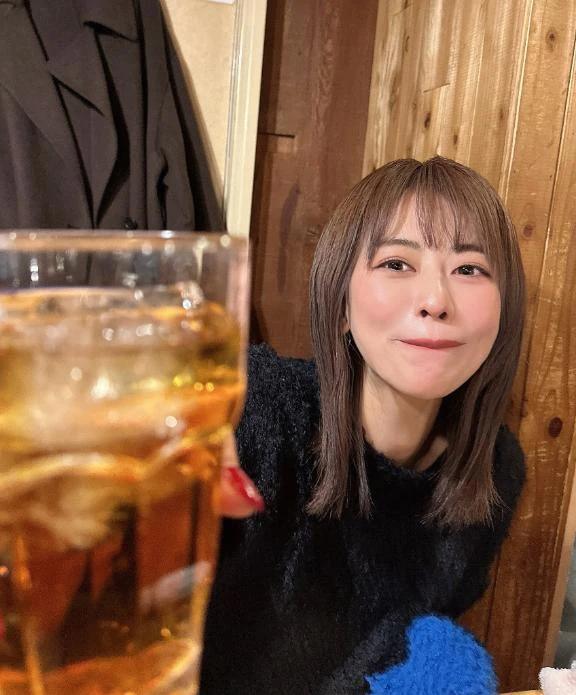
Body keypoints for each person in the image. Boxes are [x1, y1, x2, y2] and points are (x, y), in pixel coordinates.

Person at [200, 156, 527, 694]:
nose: (435, 301)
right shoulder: (256, 408)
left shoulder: (497, 466)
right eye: (396, 263)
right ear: (341, 304)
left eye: (469, 269)